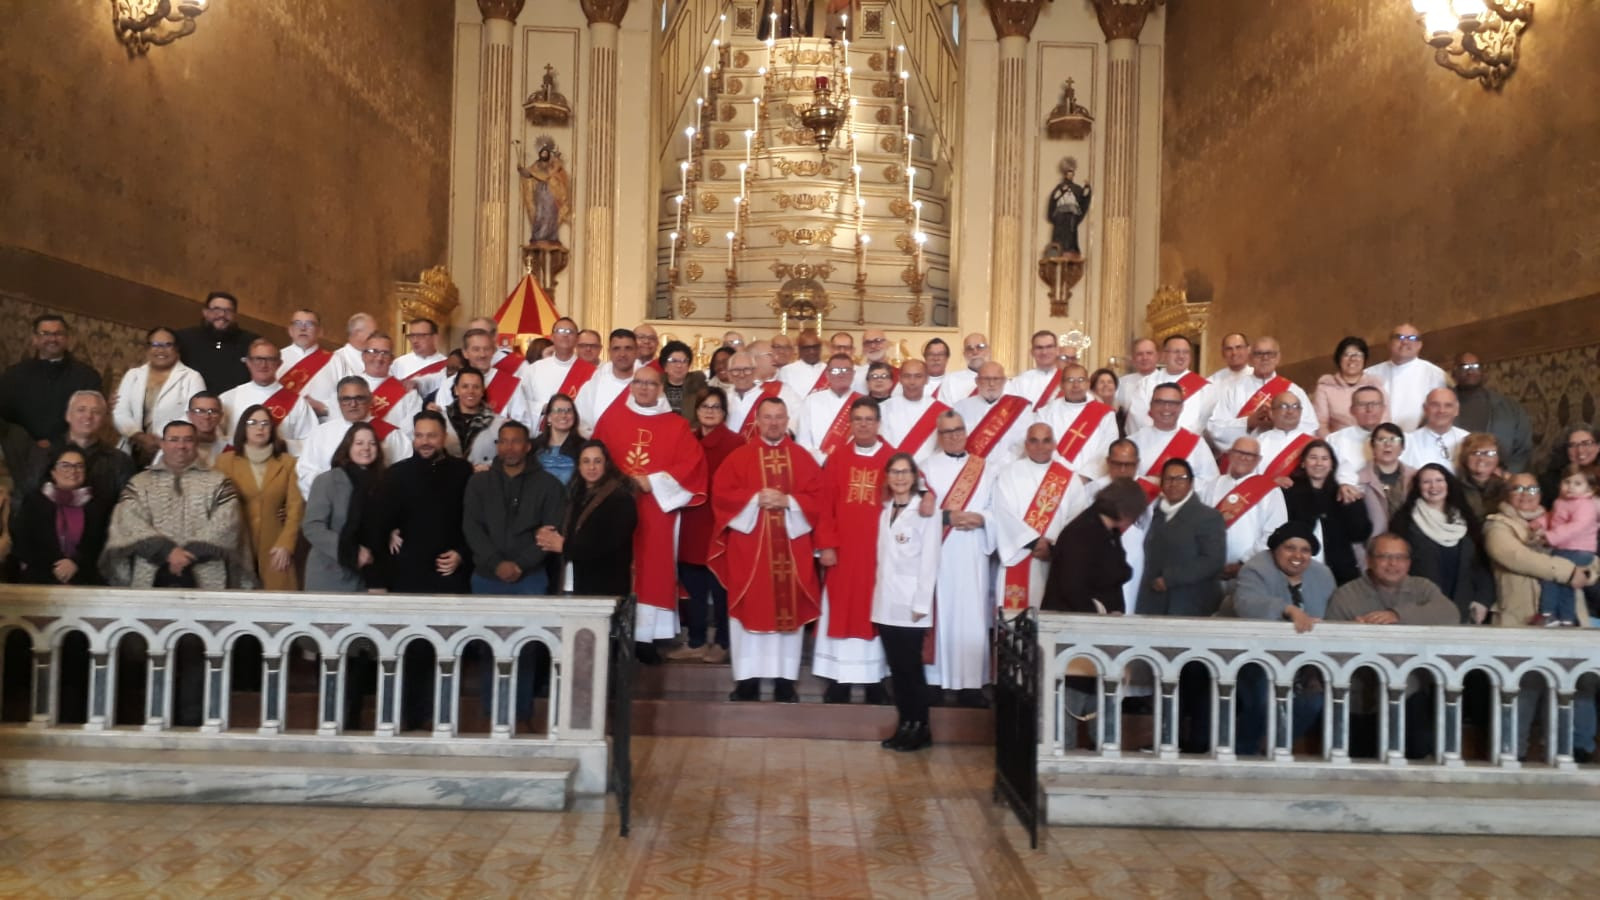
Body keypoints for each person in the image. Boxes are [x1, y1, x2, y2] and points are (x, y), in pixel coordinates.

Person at [710, 398, 824, 703]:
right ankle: (746, 679)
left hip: (790, 547)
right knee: (748, 611)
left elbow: (820, 497)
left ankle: (785, 680)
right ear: (757, 421)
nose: (773, 423)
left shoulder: (802, 458)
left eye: (779, 417)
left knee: (789, 613)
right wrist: (755, 498)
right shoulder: (739, 457)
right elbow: (720, 494)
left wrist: (788, 501)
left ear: (788, 420)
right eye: (767, 417)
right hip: (750, 550)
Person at [590, 365, 707, 659]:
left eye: (650, 384)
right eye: (639, 382)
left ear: (660, 389)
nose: (644, 388)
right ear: (631, 386)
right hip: (616, 507)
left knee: (653, 567)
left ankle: (646, 639)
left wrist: (651, 481)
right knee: (616, 563)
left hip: (657, 508)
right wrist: (620, 484)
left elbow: (692, 465)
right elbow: (594, 459)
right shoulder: (611, 419)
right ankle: (615, 633)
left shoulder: (676, 425)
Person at [1483, 473, 1600, 760]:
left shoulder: (1559, 519)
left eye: (1533, 487)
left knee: (1573, 689)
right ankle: (1512, 754)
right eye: (1518, 488)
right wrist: (1568, 571)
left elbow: (1591, 556)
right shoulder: (1498, 525)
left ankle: (1572, 753)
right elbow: (1517, 557)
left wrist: (1588, 572)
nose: (1526, 493)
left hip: (1569, 619)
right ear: (1506, 494)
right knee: (1521, 691)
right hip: (1520, 620)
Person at [1325, 533, 1461, 758]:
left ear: (1409, 562)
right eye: (1385, 557)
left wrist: (1397, 615)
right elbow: (1331, 646)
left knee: (1417, 746)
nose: (1393, 564)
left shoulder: (1422, 587)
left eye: (1400, 557)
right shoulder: (1346, 595)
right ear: (1369, 560)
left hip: (1411, 689)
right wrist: (1356, 631)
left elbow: (1450, 614)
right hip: (1360, 694)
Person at [101, 420, 256, 589]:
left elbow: (228, 522)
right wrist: (166, 551)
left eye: (188, 440)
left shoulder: (218, 482)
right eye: (174, 439)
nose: (181, 446)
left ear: (196, 443)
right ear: (162, 444)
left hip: (208, 577)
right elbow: (128, 521)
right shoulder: (139, 483)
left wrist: (190, 553)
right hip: (149, 575)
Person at [1139, 457, 1227, 752]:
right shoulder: (1153, 514)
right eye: (1168, 479)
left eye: (1180, 479)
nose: (1173, 484)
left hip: (1192, 606)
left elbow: (1213, 561)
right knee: (1163, 676)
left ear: (1191, 483)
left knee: (1193, 676)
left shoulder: (1206, 516)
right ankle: (1166, 738)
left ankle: (1197, 740)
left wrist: (1172, 578)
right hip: (1157, 606)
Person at [813, 398, 895, 704]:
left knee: (874, 612)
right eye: (857, 419)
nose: (863, 424)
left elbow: (908, 499)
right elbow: (825, 505)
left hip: (879, 553)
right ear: (850, 424)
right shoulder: (837, 458)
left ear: (878, 423)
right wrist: (827, 545)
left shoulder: (892, 459)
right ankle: (838, 679)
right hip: (843, 552)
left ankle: (874, 679)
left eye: (869, 419)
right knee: (840, 609)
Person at [1232, 522, 1336, 756]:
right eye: (1290, 548)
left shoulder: (1322, 574)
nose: (1298, 556)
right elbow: (1246, 604)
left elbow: (1332, 612)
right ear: (1275, 550)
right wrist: (1287, 609)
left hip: (1306, 662)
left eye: (1305, 550)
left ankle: (1276, 747)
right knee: (1262, 699)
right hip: (1258, 656)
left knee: (1314, 702)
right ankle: (1243, 751)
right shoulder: (1255, 568)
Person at [919, 411, 998, 703]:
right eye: (947, 432)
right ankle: (935, 681)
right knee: (940, 612)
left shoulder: (985, 468)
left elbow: (996, 508)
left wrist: (982, 519)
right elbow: (917, 512)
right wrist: (947, 516)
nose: (953, 436)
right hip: (939, 551)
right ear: (938, 436)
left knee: (971, 614)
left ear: (967, 431)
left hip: (973, 549)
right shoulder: (924, 468)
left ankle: (970, 685)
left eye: (958, 430)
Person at [872, 453, 941, 752]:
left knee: (912, 670)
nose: (899, 478)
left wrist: (922, 603)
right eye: (894, 472)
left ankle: (920, 726)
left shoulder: (927, 513)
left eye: (905, 472)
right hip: (886, 602)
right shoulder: (885, 510)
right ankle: (905, 724)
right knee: (897, 671)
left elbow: (930, 561)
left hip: (912, 603)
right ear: (887, 477)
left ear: (915, 477)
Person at [670, 388, 743, 663]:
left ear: (724, 413)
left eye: (716, 407)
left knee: (721, 588)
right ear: (697, 410)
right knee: (694, 588)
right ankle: (697, 640)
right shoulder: (687, 440)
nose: (710, 411)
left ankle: (723, 642)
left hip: (719, 524)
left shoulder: (736, 443)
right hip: (690, 520)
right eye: (705, 406)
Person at [375, 411, 473, 594]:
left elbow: (474, 520)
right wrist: (388, 532)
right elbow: (379, 523)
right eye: (419, 435)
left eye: (432, 436)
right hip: (407, 574)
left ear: (444, 437)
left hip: (451, 570)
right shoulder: (395, 474)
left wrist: (462, 554)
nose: (424, 442)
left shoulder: (463, 471)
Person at [994, 423, 1089, 613]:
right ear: (1026, 445)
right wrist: (1033, 542)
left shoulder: (1069, 479)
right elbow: (1001, 513)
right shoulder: (1008, 474)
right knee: (1015, 629)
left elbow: (1077, 522)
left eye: (1046, 441)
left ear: (1054, 444)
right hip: (1018, 555)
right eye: (1034, 441)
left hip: (1054, 561)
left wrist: (1053, 548)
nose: (1040, 447)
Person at [463, 421, 565, 594]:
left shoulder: (550, 485)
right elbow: (472, 528)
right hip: (485, 577)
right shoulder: (478, 483)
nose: (509, 447)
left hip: (531, 577)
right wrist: (496, 563)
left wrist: (521, 564)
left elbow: (552, 530)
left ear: (527, 446)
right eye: (503, 441)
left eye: (516, 441)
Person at [212, 404, 304, 591]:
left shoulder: (288, 463)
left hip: (275, 544)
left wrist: (286, 543)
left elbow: (296, 508)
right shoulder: (225, 462)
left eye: (265, 423)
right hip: (236, 543)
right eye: (252, 423)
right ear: (243, 428)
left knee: (278, 604)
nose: (259, 428)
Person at [1389, 463, 1494, 624]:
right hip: (1421, 610)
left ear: (1448, 484)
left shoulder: (1467, 519)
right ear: (1418, 487)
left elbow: (1481, 565)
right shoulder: (1403, 522)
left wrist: (1482, 600)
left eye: (1439, 480)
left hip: (1465, 610)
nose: (1433, 486)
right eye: (1426, 482)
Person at [537, 440, 636, 595]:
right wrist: (547, 534)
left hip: (604, 587)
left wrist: (565, 546)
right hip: (571, 583)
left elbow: (609, 545)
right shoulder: (575, 494)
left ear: (606, 464)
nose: (591, 467)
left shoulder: (620, 498)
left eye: (597, 461)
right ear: (579, 466)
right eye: (586, 461)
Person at [301, 422, 386, 592]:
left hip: (368, 576)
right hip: (329, 572)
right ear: (348, 447)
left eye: (372, 443)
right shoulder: (327, 481)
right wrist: (351, 552)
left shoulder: (384, 482)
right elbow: (312, 527)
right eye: (359, 443)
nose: (366, 448)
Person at [296, 376, 411, 499]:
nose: (353, 404)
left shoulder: (393, 435)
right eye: (346, 399)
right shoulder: (320, 433)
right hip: (330, 503)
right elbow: (306, 471)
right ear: (338, 401)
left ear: (371, 399)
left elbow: (404, 474)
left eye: (359, 398)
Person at [17, 391, 136, 510]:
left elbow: (127, 508)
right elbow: (22, 498)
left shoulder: (120, 461)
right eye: (81, 410)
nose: (88, 416)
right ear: (68, 416)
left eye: (96, 412)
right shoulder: (43, 455)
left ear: (104, 419)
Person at [1043, 478, 1146, 613]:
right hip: (1073, 621)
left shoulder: (1110, 530)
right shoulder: (1082, 532)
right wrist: (1099, 612)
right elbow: (1072, 587)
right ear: (1124, 512)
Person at [12, 446, 110, 585]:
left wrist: (75, 563)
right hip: (40, 578)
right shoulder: (34, 501)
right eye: (65, 466)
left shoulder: (98, 504)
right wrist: (56, 568)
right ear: (53, 471)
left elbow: (101, 542)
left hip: (85, 577)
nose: (73, 471)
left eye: (79, 466)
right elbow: (22, 542)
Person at [112, 326, 207, 467]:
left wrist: (162, 440)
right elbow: (119, 411)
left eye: (168, 345)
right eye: (155, 345)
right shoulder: (133, 375)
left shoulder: (192, 377)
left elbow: (195, 415)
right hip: (132, 447)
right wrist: (139, 437)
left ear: (176, 349)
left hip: (173, 450)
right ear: (148, 348)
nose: (161, 350)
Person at [0, 315, 103, 444]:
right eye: (45, 334)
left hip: (70, 452)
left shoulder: (87, 376)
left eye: (58, 334)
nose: (52, 339)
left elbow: (91, 420)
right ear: (34, 339)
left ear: (67, 339)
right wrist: (26, 445)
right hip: (20, 452)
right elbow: (4, 419)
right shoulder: (13, 375)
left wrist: (56, 444)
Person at [1281, 441, 1372, 584]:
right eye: (1313, 457)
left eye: (1324, 458)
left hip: (1340, 570)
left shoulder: (1344, 491)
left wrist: (1351, 504)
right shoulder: (1288, 490)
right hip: (1297, 568)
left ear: (1332, 465)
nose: (1319, 463)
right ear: (1303, 463)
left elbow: (1360, 534)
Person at [1207, 336, 1318, 451]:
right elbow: (1216, 428)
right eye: (1259, 354)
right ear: (1250, 358)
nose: (1265, 358)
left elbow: (1310, 427)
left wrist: (1280, 423)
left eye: (1270, 354)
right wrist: (1249, 422)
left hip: (1280, 457)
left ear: (1278, 358)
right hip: (1246, 458)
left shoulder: (1293, 390)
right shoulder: (1233, 390)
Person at [1205, 437, 1289, 583]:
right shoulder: (1214, 484)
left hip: (1251, 570)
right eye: (1239, 452)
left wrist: (1244, 563)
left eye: (1250, 455)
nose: (1243, 457)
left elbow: (1275, 532)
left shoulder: (1270, 490)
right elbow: (1202, 524)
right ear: (1230, 454)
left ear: (1258, 460)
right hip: (1211, 569)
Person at [217, 340, 319, 455]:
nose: (263, 365)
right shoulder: (228, 398)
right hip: (237, 466)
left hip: (279, 467)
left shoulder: (297, 403)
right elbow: (217, 438)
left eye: (270, 359)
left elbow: (311, 442)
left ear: (279, 364)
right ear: (248, 362)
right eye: (258, 359)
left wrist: (279, 444)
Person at [1127, 381, 1220, 499]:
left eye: (1173, 403)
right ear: (1151, 406)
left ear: (1181, 407)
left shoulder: (1196, 443)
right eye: (1160, 402)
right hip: (1143, 511)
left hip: (1183, 512)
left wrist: (1175, 482)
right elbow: (1124, 479)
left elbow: (1210, 484)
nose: (1166, 408)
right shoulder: (1133, 442)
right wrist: (1153, 482)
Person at [1539, 465, 1600, 627]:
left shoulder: (1586, 505)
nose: (1571, 486)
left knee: (1551, 576)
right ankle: (1567, 618)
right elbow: (1553, 518)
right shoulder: (1561, 502)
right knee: (1566, 584)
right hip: (1566, 547)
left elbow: (1576, 526)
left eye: (1578, 483)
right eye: (1567, 482)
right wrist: (1538, 523)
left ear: (1590, 489)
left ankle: (1547, 613)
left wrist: (1551, 536)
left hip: (1579, 549)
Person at [1453, 352, 1532, 474]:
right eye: (1464, 367)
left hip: (1502, 480)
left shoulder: (1509, 407)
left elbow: (1523, 448)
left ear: (1483, 372)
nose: (1470, 372)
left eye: (1475, 367)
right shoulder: (1443, 406)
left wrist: (1507, 474)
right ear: (1454, 372)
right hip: (1457, 479)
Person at [1036, 364, 1117, 483]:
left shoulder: (1105, 414)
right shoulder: (1045, 413)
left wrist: (1084, 477)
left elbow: (1108, 449)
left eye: (1081, 380)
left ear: (1088, 384)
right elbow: (1042, 446)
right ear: (1061, 385)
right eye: (1070, 380)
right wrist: (1064, 474)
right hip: (1054, 479)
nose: (1076, 385)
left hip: (1092, 482)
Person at [1364, 323, 1447, 433]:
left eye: (1412, 338)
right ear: (1389, 343)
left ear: (1419, 344)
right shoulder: (1369, 374)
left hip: (1418, 437)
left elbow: (1440, 409)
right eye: (1399, 337)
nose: (1405, 342)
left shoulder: (1434, 374)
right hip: (1376, 438)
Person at [1126, 335, 1217, 435]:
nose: (1181, 356)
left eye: (1185, 352)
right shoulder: (1146, 383)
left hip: (1186, 445)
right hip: (1151, 444)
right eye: (1176, 352)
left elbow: (1204, 422)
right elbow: (1137, 417)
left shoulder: (1205, 388)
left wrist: (1178, 439)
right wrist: (1158, 436)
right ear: (1164, 355)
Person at [173, 292, 258, 394]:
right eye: (216, 309)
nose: (222, 315)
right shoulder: (183, 338)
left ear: (235, 315)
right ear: (205, 312)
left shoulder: (252, 343)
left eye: (228, 311)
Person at [954, 362, 1033, 464]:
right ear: (977, 381)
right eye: (986, 379)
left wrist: (999, 467)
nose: (991, 384)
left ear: (1004, 381)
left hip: (1009, 470)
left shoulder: (1020, 408)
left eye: (996, 379)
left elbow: (1022, 444)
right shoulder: (960, 408)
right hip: (970, 470)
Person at [575, 329, 650, 437]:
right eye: (616, 349)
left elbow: (658, 420)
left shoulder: (650, 383)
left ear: (637, 351)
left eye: (628, 348)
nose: (622, 354)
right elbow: (581, 424)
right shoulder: (594, 385)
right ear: (609, 352)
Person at [518, 317, 596, 417]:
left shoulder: (591, 372)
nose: (565, 335)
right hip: (542, 429)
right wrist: (544, 408)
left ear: (577, 339)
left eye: (570, 331)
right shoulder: (534, 369)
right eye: (560, 331)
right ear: (552, 337)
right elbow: (521, 403)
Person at [794, 353, 864, 460]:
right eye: (835, 370)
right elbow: (803, 441)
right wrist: (822, 460)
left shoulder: (863, 402)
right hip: (819, 466)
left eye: (846, 370)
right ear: (827, 374)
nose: (841, 375)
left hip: (854, 464)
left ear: (853, 373)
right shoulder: (811, 401)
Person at [1312, 337, 1386, 436]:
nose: (1353, 359)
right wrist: (1332, 445)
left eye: (1358, 355)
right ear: (1338, 359)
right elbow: (1320, 424)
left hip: (1372, 443)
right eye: (1347, 355)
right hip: (1338, 444)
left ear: (1365, 359)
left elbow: (1385, 420)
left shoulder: (1374, 384)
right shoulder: (1326, 386)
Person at [725, 351, 803, 440]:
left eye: (747, 370)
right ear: (729, 374)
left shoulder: (769, 399)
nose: (742, 375)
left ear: (754, 371)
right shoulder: (723, 398)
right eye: (736, 370)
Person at [879, 360, 946, 460]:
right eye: (907, 376)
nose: (912, 382)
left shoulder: (941, 411)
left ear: (927, 379)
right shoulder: (883, 408)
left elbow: (942, 449)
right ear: (899, 379)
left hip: (928, 472)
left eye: (918, 376)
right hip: (894, 471)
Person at [275, 309, 336, 418]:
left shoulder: (336, 361)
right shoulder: (275, 358)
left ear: (320, 331)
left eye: (309, 324)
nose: (303, 328)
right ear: (290, 330)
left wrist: (324, 408)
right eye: (297, 323)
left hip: (321, 427)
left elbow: (349, 397)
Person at [1325, 385, 1388, 490]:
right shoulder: (1334, 440)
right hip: (1349, 498)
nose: (1369, 409)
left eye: (1375, 404)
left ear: (1383, 408)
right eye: (1362, 404)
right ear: (1352, 410)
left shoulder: (1397, 438)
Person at [440, 368, 504, 466]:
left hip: (483, 478)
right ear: (456, 390)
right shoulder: (440, 420)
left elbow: (505, 457)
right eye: (465, 386)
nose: (471, 391)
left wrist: (489, 466)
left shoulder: (499, 424)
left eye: (476, 387)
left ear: (482, 391)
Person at [1358, 423, 1415, 534]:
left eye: (1393, 439)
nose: (1388, 444)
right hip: (1374, 546)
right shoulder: (1358, 480)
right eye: (1381, 439)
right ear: (1372, 446)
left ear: (1402, 447)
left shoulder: (1416, 477)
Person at [1400, 388, 1469, 473]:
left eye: (1448, 405)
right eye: (1435, 405)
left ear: (1456, 410)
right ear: (1425, 409)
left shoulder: (1467, 439)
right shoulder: (1408, 441)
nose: (1441, 410)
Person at [1539, 424, 1600, 510]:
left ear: (1598, 446)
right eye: (1572, 445)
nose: (1580, 450)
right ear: (1565, 449)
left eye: (1587, 443)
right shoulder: (1548, 480)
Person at [392, 317, 450, 402]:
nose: (415, 340)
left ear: (434, 337)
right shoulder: (399, 363)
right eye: (412, 336)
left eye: (420, 336)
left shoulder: (446, 365)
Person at [531, 392, 583, 485]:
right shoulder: (534, 446)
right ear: (549, 417)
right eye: (558, 410)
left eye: (568, 411)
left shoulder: (583, 447)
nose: (563, 415)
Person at [1456, 433, 1507, 520]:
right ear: (1465, 457)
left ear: (1498, 458)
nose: (1482, 458)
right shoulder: (1454, 487)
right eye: (1476, 453)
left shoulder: (1507, 486)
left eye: (1490, 453)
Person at [1009, 331, 1065, 411]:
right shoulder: (1019, 382)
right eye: (1039, 348)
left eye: (1049, 347)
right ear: (1032, 352)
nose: (1044, 352)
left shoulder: (1068, 380)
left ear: (1057, 350)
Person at [658, 340, 706, 419]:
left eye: (684, 361)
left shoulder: (698, 386)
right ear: (664, 365)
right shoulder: (656, 385)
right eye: (673, 361)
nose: (679, 365)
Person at [940, 333, 990, 401]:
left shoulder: (1003, 382)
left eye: (980, 347)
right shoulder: (950, 381)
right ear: (964, 354)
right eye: (969, 348)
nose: (975, 352)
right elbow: (943, 409)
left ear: (988, 350)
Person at [1114, 338, 1159, 412]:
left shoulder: (1166, 381)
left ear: (1157, 356)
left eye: (1149, 353)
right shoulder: (1122, 383)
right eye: (1139, 354)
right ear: (1133, 358)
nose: (1144, 358)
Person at [778, 330, 826, 395]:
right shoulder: (787, 371)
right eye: (807, 348)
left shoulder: (829, 369)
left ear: (820, 348)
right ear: (799, 349)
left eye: (815, 347)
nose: (812, 351)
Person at [1088, 367, 1125, 437]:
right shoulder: (1088, 410)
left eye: (1110, 382)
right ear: (1093, 388)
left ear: (1115, 387)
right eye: (1101, 382)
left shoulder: (1121, 412)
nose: (1106, 385)